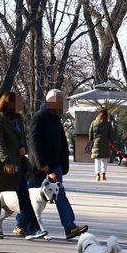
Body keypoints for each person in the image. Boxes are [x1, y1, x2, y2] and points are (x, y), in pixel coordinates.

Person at [0, 91, 46, 240]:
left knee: (24, 195)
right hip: (0, 164)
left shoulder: (18, 119)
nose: (20, 105)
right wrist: (7, 162)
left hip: (17, 162)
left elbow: (23, 137)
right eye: (17, 102)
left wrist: (23, 147)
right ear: (8, 104)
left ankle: (32, 229)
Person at [30, 89, 88, 240]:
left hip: (54, 165)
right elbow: (34, 141)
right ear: (52, 102)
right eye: (60, 102)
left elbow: (62, 141)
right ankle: (21, 223)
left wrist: (63, 163)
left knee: (59, 193)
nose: (63, 105)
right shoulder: (39, 117)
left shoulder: (56, 119)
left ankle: (70, 227)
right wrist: (41, 163)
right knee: (30, 196)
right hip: (40, 166)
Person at [88, 108, 113, 181]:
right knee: (104, 160)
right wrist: (111, 141)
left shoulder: (93, 123)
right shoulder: (108, 124)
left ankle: (97, 175)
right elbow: (111, 135)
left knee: (97, 160)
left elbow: (90, 133)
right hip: (105, 144)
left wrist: (91, 140)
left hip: (96, 143)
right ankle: (103, 174)